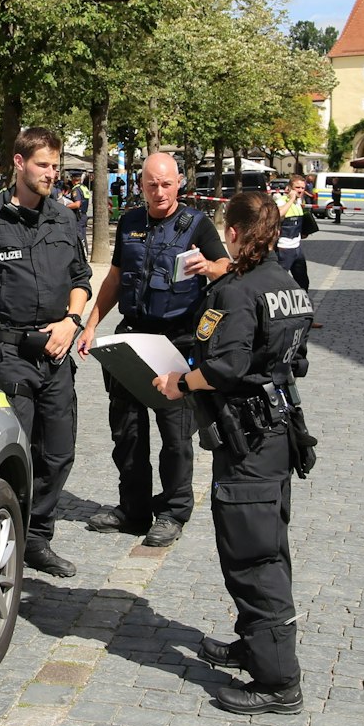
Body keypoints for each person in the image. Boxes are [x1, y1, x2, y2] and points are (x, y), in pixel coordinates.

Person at [153, 191, 314, 715]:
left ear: (238, 233)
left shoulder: (238, 292)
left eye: (228, 229)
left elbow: (222, 366)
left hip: (249, 439)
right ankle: (255, 645)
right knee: (266, 544)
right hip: (276, 433)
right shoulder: (288, 283)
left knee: (253, 556)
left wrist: (181, 381)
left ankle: (278, 682)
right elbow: (298, 360)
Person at [0, 127, 91, 579]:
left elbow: (82, 280)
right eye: (44, 165)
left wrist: (72, 321)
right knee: (16, 452)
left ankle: (37, 537)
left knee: (59, 452)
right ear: (19, 163)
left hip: (57, 352)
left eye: (56, 165)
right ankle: (4, 539)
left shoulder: (64, 219)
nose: (52, 173)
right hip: (10, 353)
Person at [76, 152, 228, 548]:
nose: (159, 192)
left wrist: (207, 268)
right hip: (131, 338)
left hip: (176, 341)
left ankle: (174, 511)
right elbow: (114, 277)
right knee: (126, 430)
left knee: (175, 435)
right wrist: (92, 324)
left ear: (179, 182)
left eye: (166, 184)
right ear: (140, 185)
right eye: (151, 184)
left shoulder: (197, 223)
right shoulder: (129, 222)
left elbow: (228, 267)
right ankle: (134, 509)